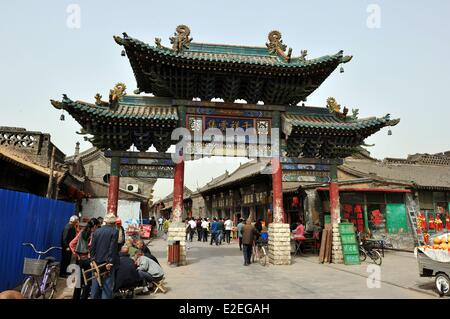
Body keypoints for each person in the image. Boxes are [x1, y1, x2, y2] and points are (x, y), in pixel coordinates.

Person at [89, 213, 119, 299]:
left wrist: (92, 260)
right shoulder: (114, 231)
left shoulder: (97, 231)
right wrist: (109, 261)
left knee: (95, 286)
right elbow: (112, 248)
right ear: (114, 223)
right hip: (107, 264)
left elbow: (92, 247)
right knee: (106, 287)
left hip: (96, 262)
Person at [69, 218, 99, 299]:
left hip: (79, 260)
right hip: (88, 261)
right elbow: (91, 247)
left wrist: (76, 254)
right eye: (97, 226)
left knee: (78, 282)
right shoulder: (93, 234)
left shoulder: (81, 232)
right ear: (95, 226)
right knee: (88, 282)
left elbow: (71, 244)